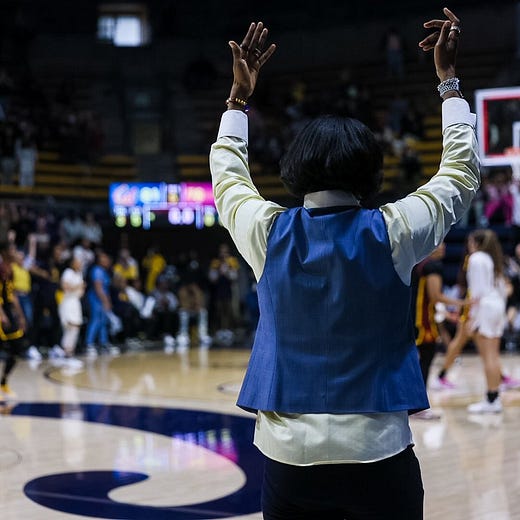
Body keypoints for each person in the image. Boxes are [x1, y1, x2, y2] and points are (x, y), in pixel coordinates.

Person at [209, 11, 478, 518]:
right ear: (371, 171)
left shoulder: (266, 232)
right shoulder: (396, 230)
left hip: (289, 461)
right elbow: (460, 174)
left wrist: (237, 101)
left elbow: (227, 177)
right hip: (378, 453)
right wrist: (448, 83)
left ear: (295, 168)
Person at [412, 242, 466, 419]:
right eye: (438, 245)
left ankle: (414, 404)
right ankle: (418, 407)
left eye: (443, 245)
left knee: (418, 360)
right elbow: (436, 296)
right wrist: (463, 303)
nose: (442, 248)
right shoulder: (432, 266)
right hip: (423, 321)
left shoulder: (419, 263)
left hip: (415, 317)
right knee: (425, 359)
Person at [465, 229, 509, 413]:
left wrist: (472, 317)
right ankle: (494, 397)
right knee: (494, 356)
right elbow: (503, 289)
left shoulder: (476, 258)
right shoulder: (492, 259)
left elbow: (477, 292)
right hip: (497, 305)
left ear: (476, 243)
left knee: (488, 357)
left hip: (486, 307)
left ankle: (492, 399)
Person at [58, 256, 85, 370]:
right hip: (67, 302)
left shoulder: (80, 274)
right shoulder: (67, 273)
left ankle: (70, 352)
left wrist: (77, 288)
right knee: (70, 326)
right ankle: (66, 352)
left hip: (75, 302)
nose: (80, 264)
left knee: (76, 327)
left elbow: (81, 292)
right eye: (78, 262)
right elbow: (65, 287)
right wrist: (78, 286)